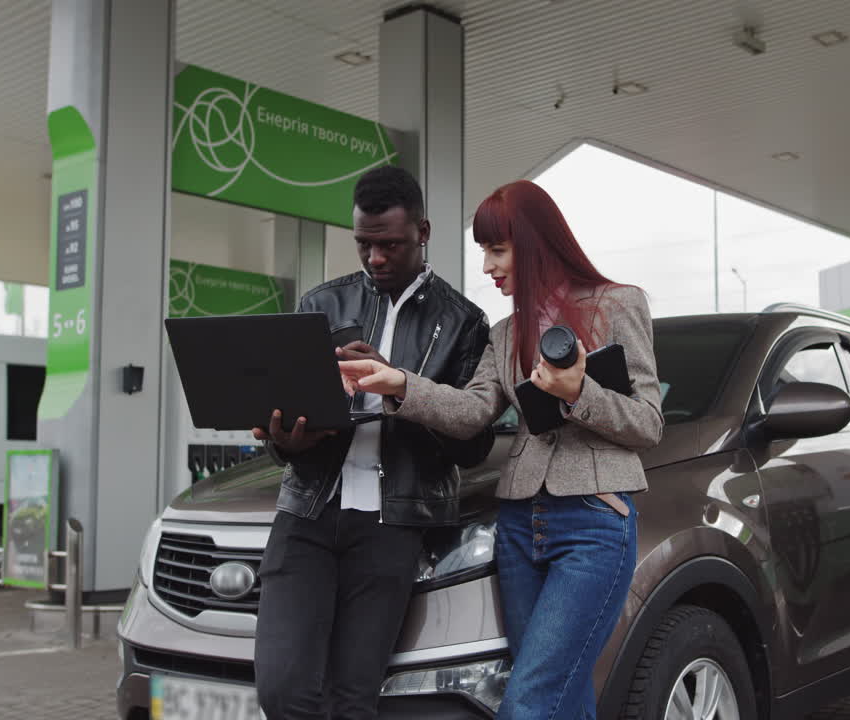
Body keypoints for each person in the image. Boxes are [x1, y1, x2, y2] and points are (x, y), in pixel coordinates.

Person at [339, 179, 664, 720]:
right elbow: (469, 414)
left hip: (594, 523)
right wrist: (397, 381)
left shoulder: (617, 305)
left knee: (529, 703)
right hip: (519, 528)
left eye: (497, 250)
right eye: (483, 252)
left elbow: (649, 424)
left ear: (534, 243)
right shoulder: (504, 332)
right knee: (564, 698)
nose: (487, 267)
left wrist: (579, 393)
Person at [251, 166, 495, 720]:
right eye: (364, 244)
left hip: (394, 525)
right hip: (308, 514)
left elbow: (474, 444)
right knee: (283, 689)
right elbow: (284, 436)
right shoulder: (320, 305)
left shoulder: (464, 323)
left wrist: (400, 387)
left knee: (353, 698)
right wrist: (287, 440)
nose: (376, 258)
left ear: (424, 233)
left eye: (390, 244)